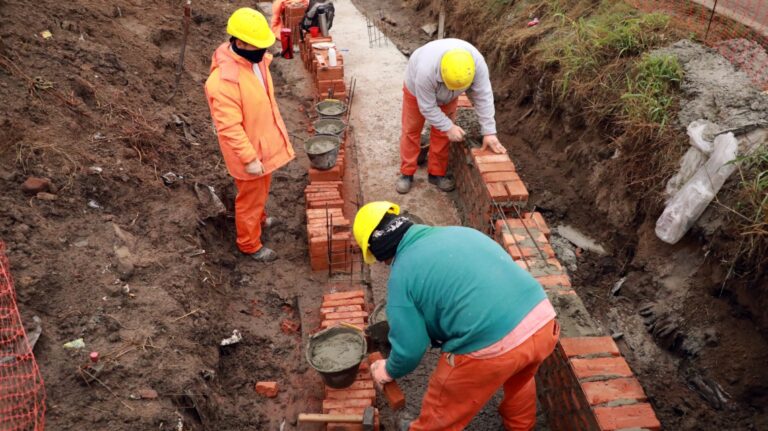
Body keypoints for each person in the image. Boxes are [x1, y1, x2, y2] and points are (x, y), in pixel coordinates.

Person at [353, 201, 559, 430]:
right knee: (520, 380)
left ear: (379, 252)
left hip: (494, 345)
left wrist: (388, 370)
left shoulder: (401, 279)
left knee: (442, 406)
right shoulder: (459, 232)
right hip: (542, 322)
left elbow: (411, 349)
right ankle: (521, 426)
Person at [205, 8, 295, 262]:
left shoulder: (256, 62)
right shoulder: (224, 82)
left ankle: (261, 220)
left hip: (262, 144)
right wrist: (249, 159)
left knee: (260, 193)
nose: (263, 51)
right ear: (239, 41)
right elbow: (229, 128)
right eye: (258, 46)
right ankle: (249, 244)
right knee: (250, 200)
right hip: (249, 155)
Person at [397, 38, 507, 194]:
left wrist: (489, 132)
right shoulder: (425, 70)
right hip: (416, 91)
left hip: (449, 95)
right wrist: (448, 126)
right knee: (411, 130)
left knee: (442, 135)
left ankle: (436, 174)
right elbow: (427, 107)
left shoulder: (476, 65)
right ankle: (407, 173)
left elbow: (484, 96)